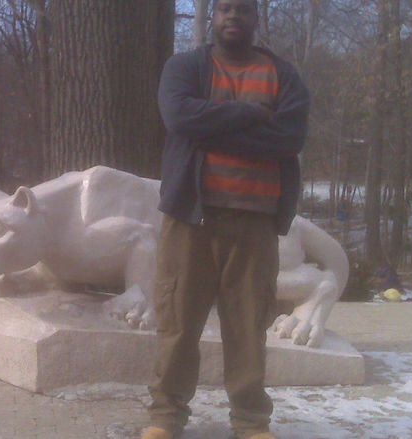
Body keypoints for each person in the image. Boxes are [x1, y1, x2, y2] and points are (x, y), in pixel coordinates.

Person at [141, 0, 310, 438]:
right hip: (190, 219)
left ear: (256, 20)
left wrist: (211, 124)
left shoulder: (284, 75)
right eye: (225, 9)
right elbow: (179, 117)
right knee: (178, 321)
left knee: (249, 327)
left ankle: (252, 423)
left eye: (243, 10)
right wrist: (253, 115)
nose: (233, 16)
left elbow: (288, 138)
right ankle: (165, 418)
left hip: (255, 222)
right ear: (214, 17)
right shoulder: (185, 67)